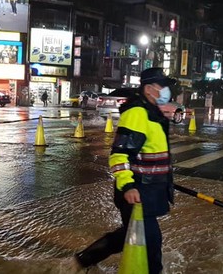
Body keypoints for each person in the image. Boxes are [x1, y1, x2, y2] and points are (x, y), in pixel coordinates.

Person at [72, 67, 176, 274]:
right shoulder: (138, 114)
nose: (166, 90)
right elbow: (120, 155)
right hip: (136, 193)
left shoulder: (151, 113)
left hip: (148, 190)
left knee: (129, 235)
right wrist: (128, 185)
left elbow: (149, 155)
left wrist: (165, 179)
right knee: (151, 245)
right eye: (162, 86)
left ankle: (83, 261)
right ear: (149, 89)